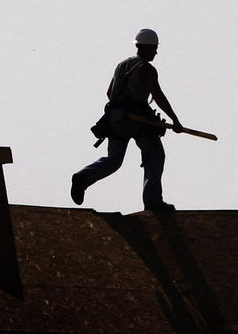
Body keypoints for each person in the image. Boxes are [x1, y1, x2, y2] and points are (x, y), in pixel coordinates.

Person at [71, 28, 184, 211]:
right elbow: (158, 95)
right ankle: (153, 201)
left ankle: (83, 177)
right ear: (146, 47)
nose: (156, 51)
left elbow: (110, 93)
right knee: (155, 155)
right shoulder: (146, 69)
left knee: (113, 160)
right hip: (136, 121)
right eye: (154, 48)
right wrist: (175, 120)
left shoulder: (122, 65)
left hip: (116, 120)